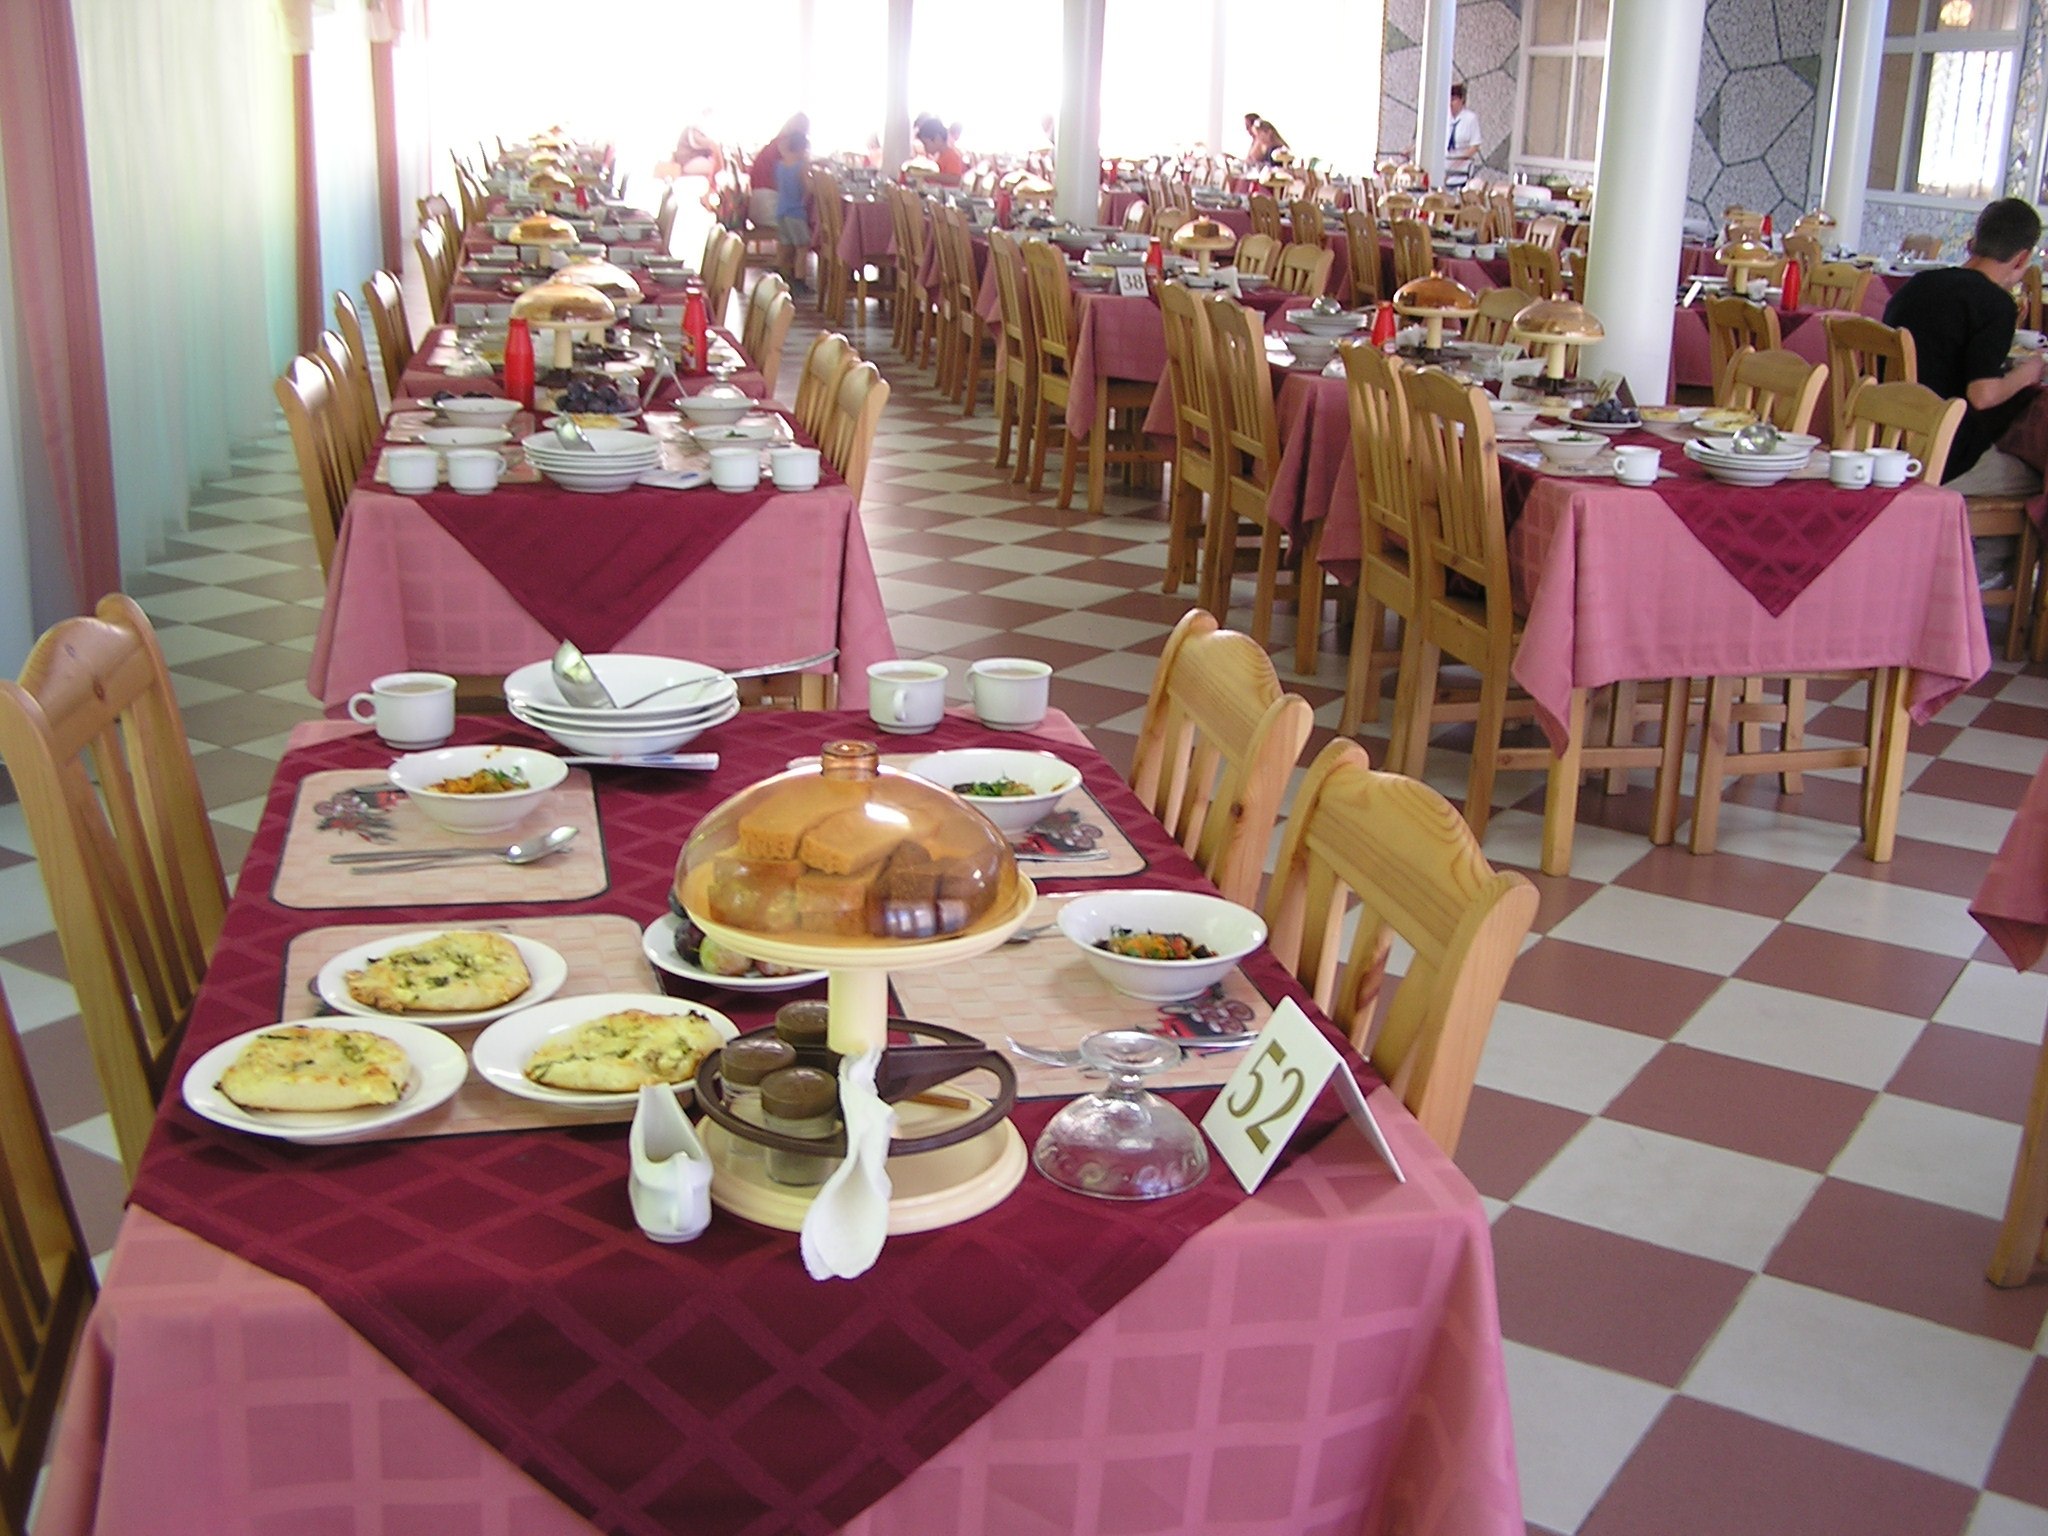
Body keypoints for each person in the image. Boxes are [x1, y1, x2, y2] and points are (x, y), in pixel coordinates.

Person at [1884, 196, 2043, 493]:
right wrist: (2029, 372)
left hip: (1885, 439)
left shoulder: (1918, 284)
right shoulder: (1995, 304)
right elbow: (1982, 395)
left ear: (1972, 244)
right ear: (2022, 259)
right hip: (1942, 453)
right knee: (2038, 478)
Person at [748, 113, 809, 234]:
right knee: (804, 224)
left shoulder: (775, 143)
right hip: (769, 207)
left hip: (755, 205)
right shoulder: (786, 147)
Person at [775, 131, 813, 291]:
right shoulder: (801, 166)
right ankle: (799, 280)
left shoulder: (780, 165)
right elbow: (808, 187)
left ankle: (778, 276)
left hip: (781, 210)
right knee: (802, 247)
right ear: (801, 149)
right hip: (796, 212)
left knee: (785, 245)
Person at [1446, 84, 1482, 189]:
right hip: (1444, 167)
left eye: (1453, 99)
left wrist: (1459, 160)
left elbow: (1475, 146)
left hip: (1461, 170)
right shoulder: (1445, 117)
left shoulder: (1470, 118)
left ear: (1462, 100)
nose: (1450, 103)